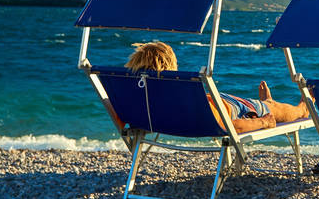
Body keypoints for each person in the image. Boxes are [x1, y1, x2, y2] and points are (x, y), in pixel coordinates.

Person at [125, 41, 308, 134]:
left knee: (265, 105)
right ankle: (302, 109)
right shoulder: (182, 97)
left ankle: (266, 103)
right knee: (272, 109)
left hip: (214, 103)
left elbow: (121, 117)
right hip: (230, 107)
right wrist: (263, 122)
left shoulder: (137, 98)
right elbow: (230, 126)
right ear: (172, 68)